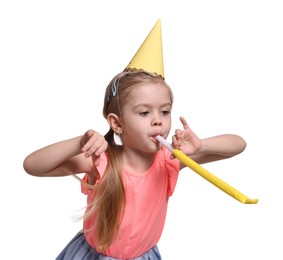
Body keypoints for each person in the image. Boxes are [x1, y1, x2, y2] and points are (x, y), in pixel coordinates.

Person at [23, 68, 246, 260]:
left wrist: (201, 147)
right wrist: (79, 142)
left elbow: (238, 145)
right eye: (144, 112)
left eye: (165, 111)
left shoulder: (168, 160)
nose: (158, 119)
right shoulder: (101, 161)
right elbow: (32, 165)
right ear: (117, 123)